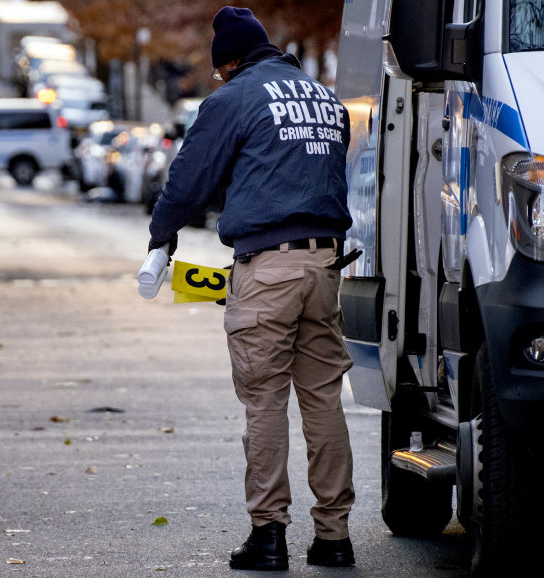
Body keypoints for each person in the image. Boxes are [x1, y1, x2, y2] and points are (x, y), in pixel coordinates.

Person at [146, 5, 356, 572]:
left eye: (220, 70)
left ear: (231, 60)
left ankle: (268, 535)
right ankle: (335, 537)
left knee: (264, 400)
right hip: (324, 265)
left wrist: (160, 235)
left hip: (268, 268)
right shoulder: (321, 97)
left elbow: (189, 181)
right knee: (322, 401)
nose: (219, 78)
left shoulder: (234, 98)